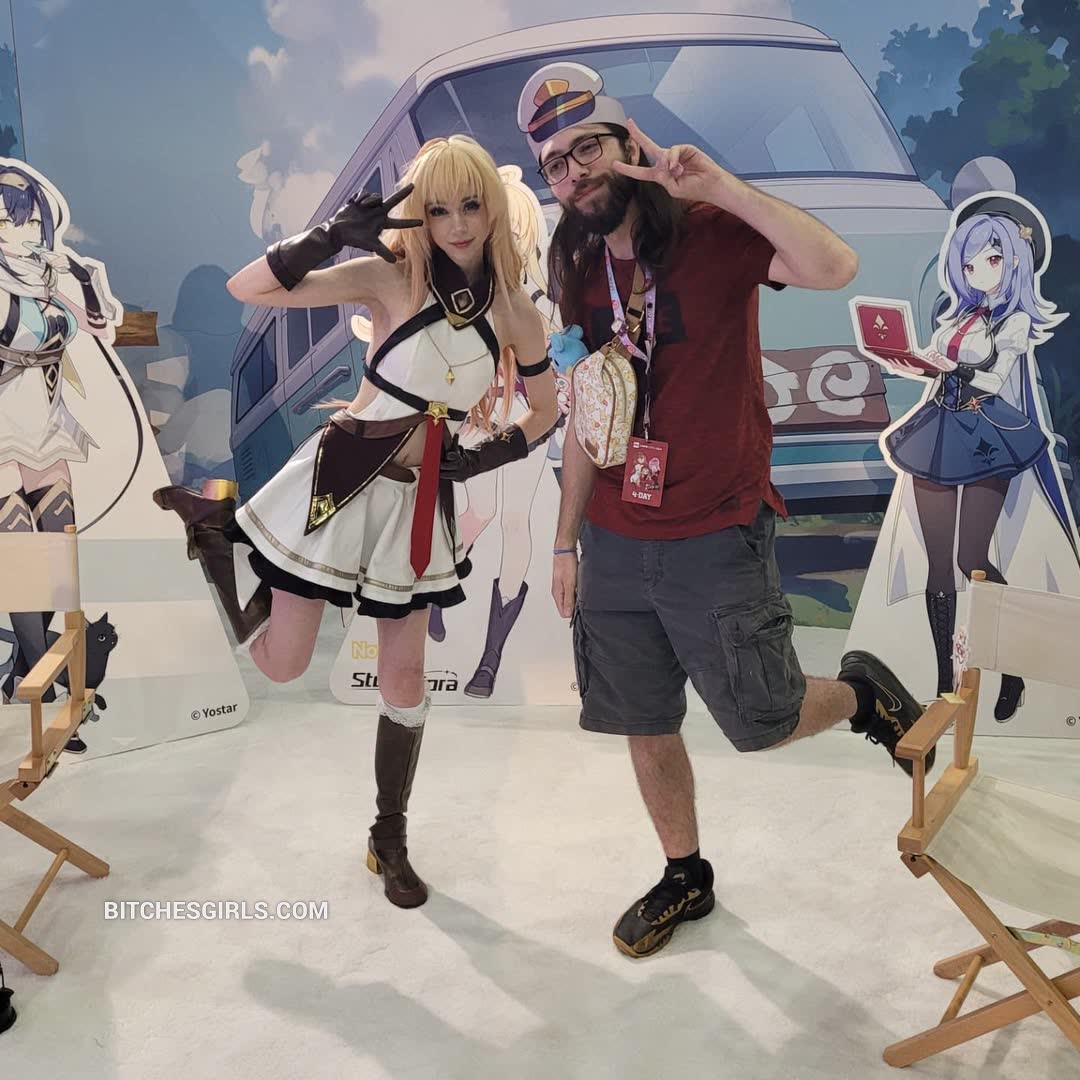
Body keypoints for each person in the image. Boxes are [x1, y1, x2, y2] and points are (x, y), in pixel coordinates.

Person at [516, 61, 931, 958]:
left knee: (764, 719)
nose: (575, 171)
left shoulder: (710, 232)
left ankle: (862, 695)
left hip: (715, 525)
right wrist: (565, 542)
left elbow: (836, 265)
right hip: (614, 536)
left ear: (625, 144)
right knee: (642, 717)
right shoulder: (577, 270)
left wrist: (719, 186)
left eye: (588, 147)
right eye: (555, 163)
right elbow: (590, 411)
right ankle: (685, 874)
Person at [154, 135, 558, 908]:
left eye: (471, 206)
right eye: (438, 209)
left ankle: (389, 838)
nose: (458, 224)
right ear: (421, 217)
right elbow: (248, 287)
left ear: (492, 209)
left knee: (405, 676)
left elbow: (543, 411)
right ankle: (217, 545)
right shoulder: (388, 277)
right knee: (282, 667)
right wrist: (326, 235)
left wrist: (482, 457)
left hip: (419, 500)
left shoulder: (514, 313)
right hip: (338, 481)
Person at [867, 194, 1079, 720]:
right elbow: (942, 364)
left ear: (1015, 262)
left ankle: (1011, 672)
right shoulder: (959, 313)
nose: (977, 270)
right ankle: (945, 683)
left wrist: (951, 369)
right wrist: (913, 362)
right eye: (968, 262)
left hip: (986, 434)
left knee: (972, 561)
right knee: (938, 564)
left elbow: (994, 379)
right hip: (937, 429)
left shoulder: (1014, 322)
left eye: (991, 258)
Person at [0, 163, 117, 755]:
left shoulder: (44, 279)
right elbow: (21, 339)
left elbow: (96, 324)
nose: (12, 230)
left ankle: (50, 683)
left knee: (58, 566)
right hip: (2, 436)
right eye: (2, 219)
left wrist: (87, 279)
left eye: (21, 219)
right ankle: (41, 690)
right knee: (24, 566)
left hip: (47, 431)